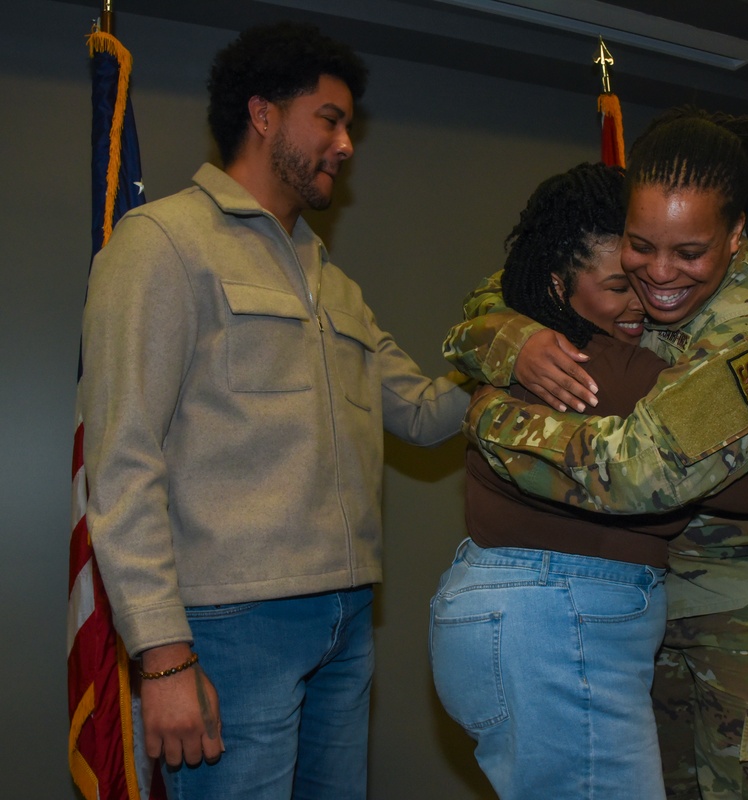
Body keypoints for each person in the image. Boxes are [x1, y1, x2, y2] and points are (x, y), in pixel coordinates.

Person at [79, 21, 470, 800]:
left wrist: (517, 354)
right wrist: (162, 655)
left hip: (347, 618)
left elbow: (425, 414)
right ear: (262, 115)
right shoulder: (160, 242)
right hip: (231, 628)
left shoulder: (334, 281)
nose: (346, 143)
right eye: (329, 118)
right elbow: (122, 458)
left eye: (348, 124)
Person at [444, 107, 748, 798]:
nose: (657, 274)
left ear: (736, 236)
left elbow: (643, 472)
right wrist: (506, 339)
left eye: (689, 253)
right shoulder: (627, 250)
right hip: (656, 602)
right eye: (639, 247)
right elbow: (502, 293)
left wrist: (492, 419)